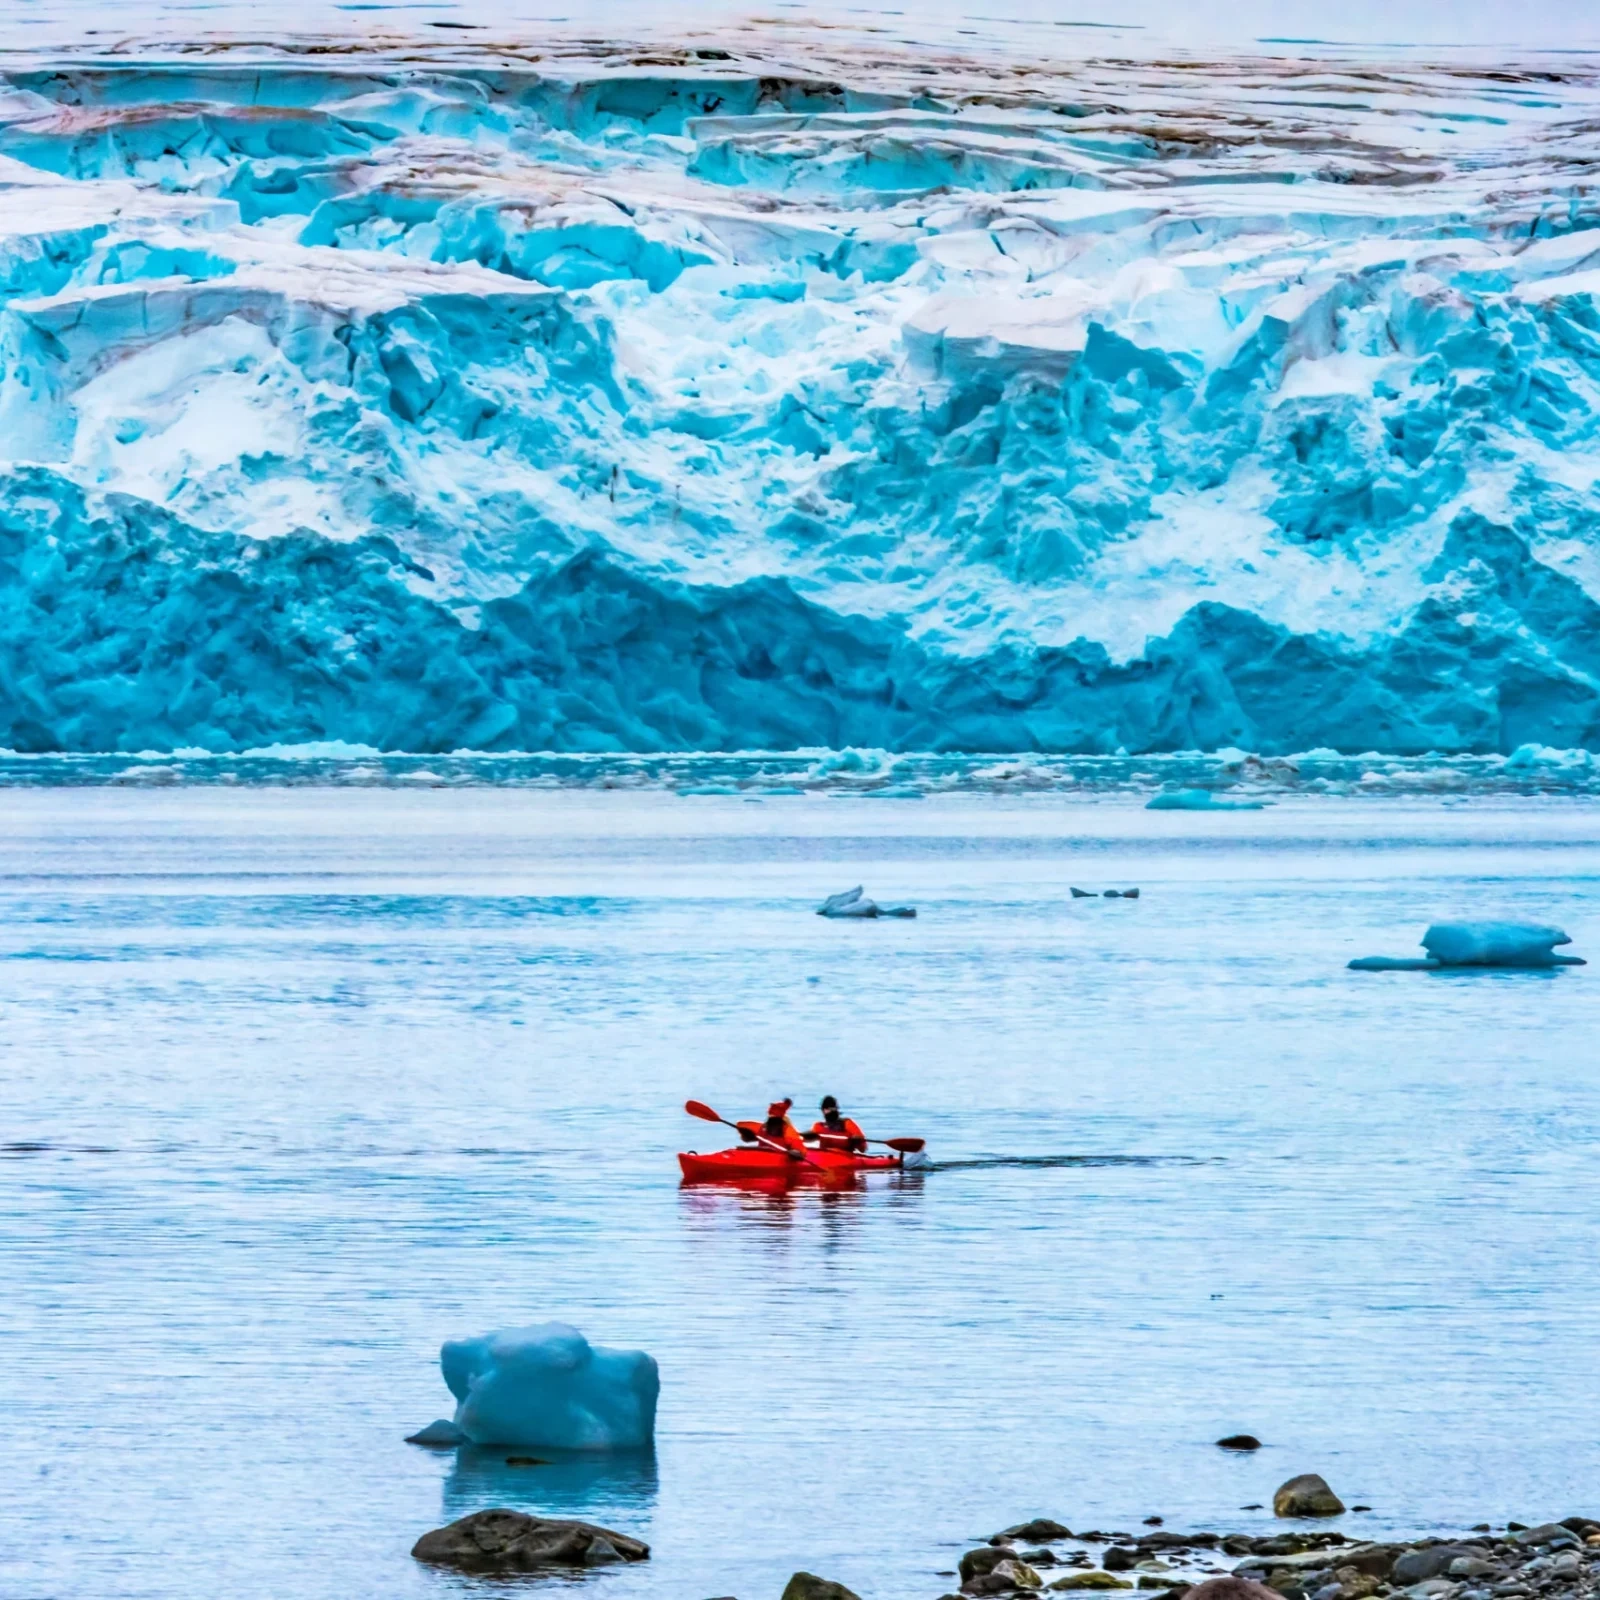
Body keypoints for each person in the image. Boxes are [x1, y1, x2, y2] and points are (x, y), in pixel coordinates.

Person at [739, 1099, 805, 1151]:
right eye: (770, 1119)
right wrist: (747, 1134)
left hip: (780, 1156)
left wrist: (797, 1152)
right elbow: (745, 1138)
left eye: (775, 1120)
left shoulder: (788, 1131)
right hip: (763, 1155)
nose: (772, 1123)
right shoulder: (764, 1127)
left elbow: (799, 1148)